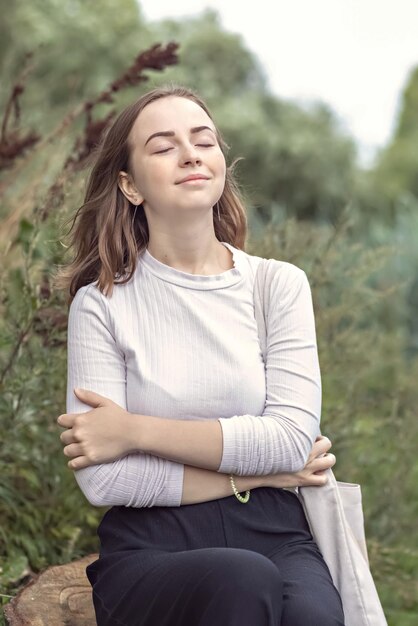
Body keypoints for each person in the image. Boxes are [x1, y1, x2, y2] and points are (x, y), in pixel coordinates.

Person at [56, 85, 345, 626]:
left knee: (313, 615)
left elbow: (290, 439)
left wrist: (134, 431)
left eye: (203, 140)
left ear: (219, 164)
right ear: (130, 185)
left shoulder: (277, 286)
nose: (190, 154)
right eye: (163, 147)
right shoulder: (102, 304)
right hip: (152, 546)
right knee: (241, 579)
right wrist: (259, 475)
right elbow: (105, 480)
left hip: (279, 534)